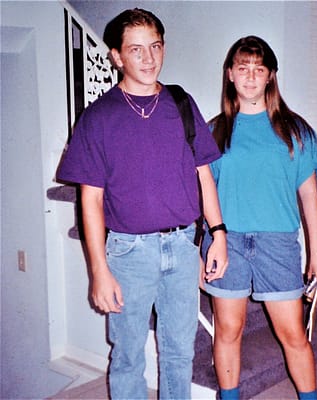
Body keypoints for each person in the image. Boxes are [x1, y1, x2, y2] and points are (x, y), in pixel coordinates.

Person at [57, 8, 228, 400]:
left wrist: (217, 235)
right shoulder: (98, 118)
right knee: (129, 356)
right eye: (136, 50)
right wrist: (99, 270)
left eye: (155, 47)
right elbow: (91, 200)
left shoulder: (181, 104)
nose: (148, 58)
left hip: (183, 245)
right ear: (116, 56)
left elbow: (204, 174)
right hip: (128, 252)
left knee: (179, 352)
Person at [202, 36, 317, 400]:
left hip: (277, 244)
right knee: (228, 330)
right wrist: (201, 247)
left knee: (293, 334)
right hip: (227, 243)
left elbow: (309, 195)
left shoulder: (296, 131)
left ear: (270, 76)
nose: (250, 76)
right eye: (242, 68)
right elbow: (204, 196)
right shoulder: (213, 132)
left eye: (258, 69)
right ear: (230, 74)